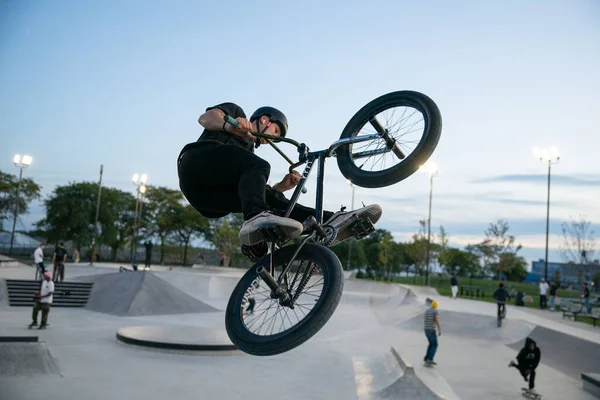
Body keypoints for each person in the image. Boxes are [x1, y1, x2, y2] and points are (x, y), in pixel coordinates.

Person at [177, 102, 382, 261]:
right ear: (264, 119)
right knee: (260, 166)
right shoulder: (236, 113)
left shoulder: (247, 156)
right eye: (275, 132)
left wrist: (281, 188)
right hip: (196, 164)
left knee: (271, 197)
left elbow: (252, 193)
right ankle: (256, 218)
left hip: (208, 200)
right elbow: (206, 118)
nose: (273, 139)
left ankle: (328, 221)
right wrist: (229, 126)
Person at [423, 299, 441, 366]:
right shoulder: (435, 311)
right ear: (436, 306)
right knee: (435, 345)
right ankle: (430, 359)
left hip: (426, 329)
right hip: (431, 330)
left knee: (431, 344)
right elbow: (437, 320)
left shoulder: (427, 311)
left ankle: (426, 358)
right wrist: (439, 330)